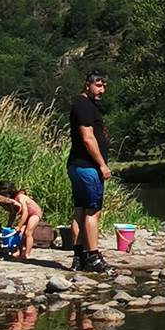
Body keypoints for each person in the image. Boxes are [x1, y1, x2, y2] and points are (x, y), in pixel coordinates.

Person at [67, 72, 112, 274]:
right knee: (92, 212)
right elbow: (87, 137)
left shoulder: (82, 104)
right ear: (87, 85)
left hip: (77, 165)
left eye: (104, 86)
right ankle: (93, 256)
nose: (102, 90)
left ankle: (79, 257)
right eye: (98, 85)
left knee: (80, 210)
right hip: (88, 167)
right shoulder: (84, 105)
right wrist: (102, 164)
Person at [0, 180, 43, 260]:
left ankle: (27, 253)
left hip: (34, 214)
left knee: (28, 232)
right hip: (27, 215)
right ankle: (20, 252)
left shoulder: (20, 197)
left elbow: (25, 213)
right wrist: (9, 226)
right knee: (20, 234)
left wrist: (19, 225)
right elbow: (12, 214)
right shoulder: (13, 202)